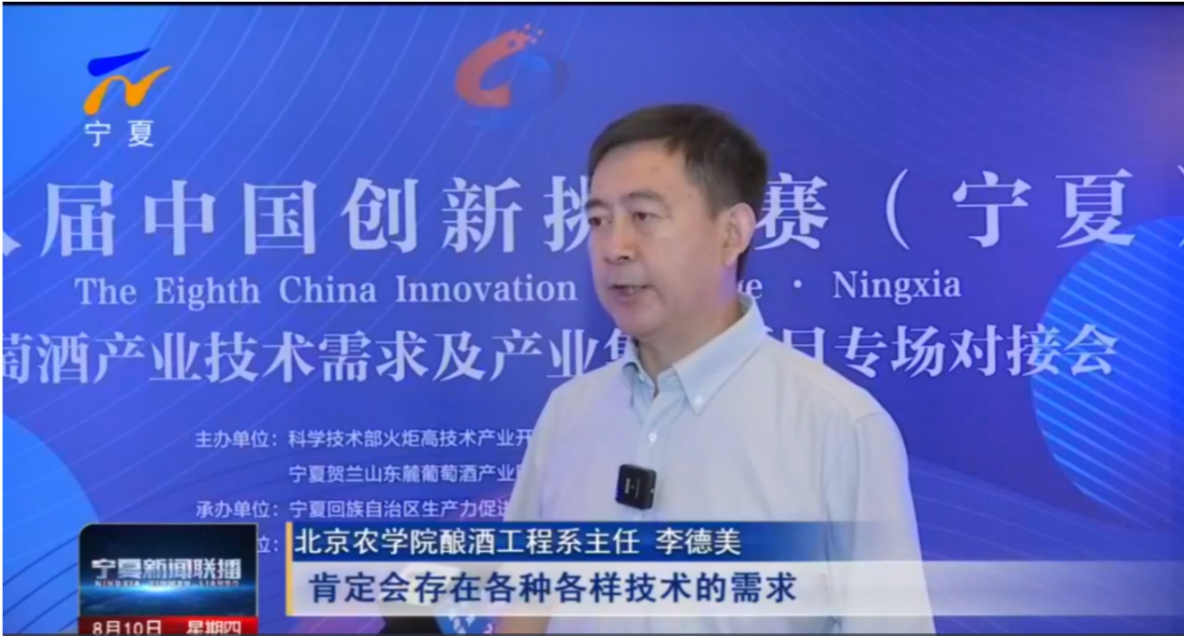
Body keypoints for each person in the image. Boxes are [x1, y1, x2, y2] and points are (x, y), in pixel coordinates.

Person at [499, 104, 934, 633]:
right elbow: (526, 603)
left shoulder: (837, 426)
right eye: (598, 221)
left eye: (643, 216)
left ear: (732, 233)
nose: (614, 248)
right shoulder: (569, 413)